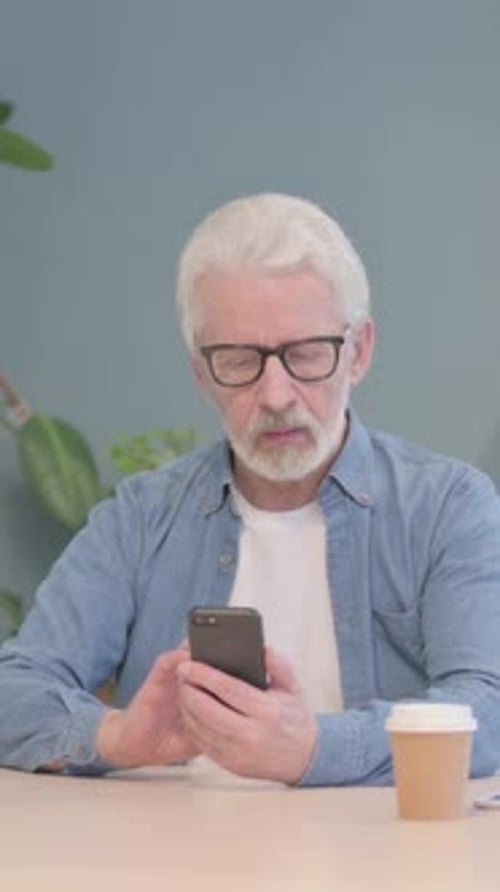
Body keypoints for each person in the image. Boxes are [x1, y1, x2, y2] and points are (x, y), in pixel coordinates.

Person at [1, 193, 500, 787]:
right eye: (238, 361)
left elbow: (486, 708)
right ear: (200, 371)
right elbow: (14, 692)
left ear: (359, 352)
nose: (276, 396)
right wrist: (117, 736)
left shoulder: (447, 508)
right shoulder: (139, 520)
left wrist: (315, 747)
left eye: (306, 354)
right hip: (166, 865)